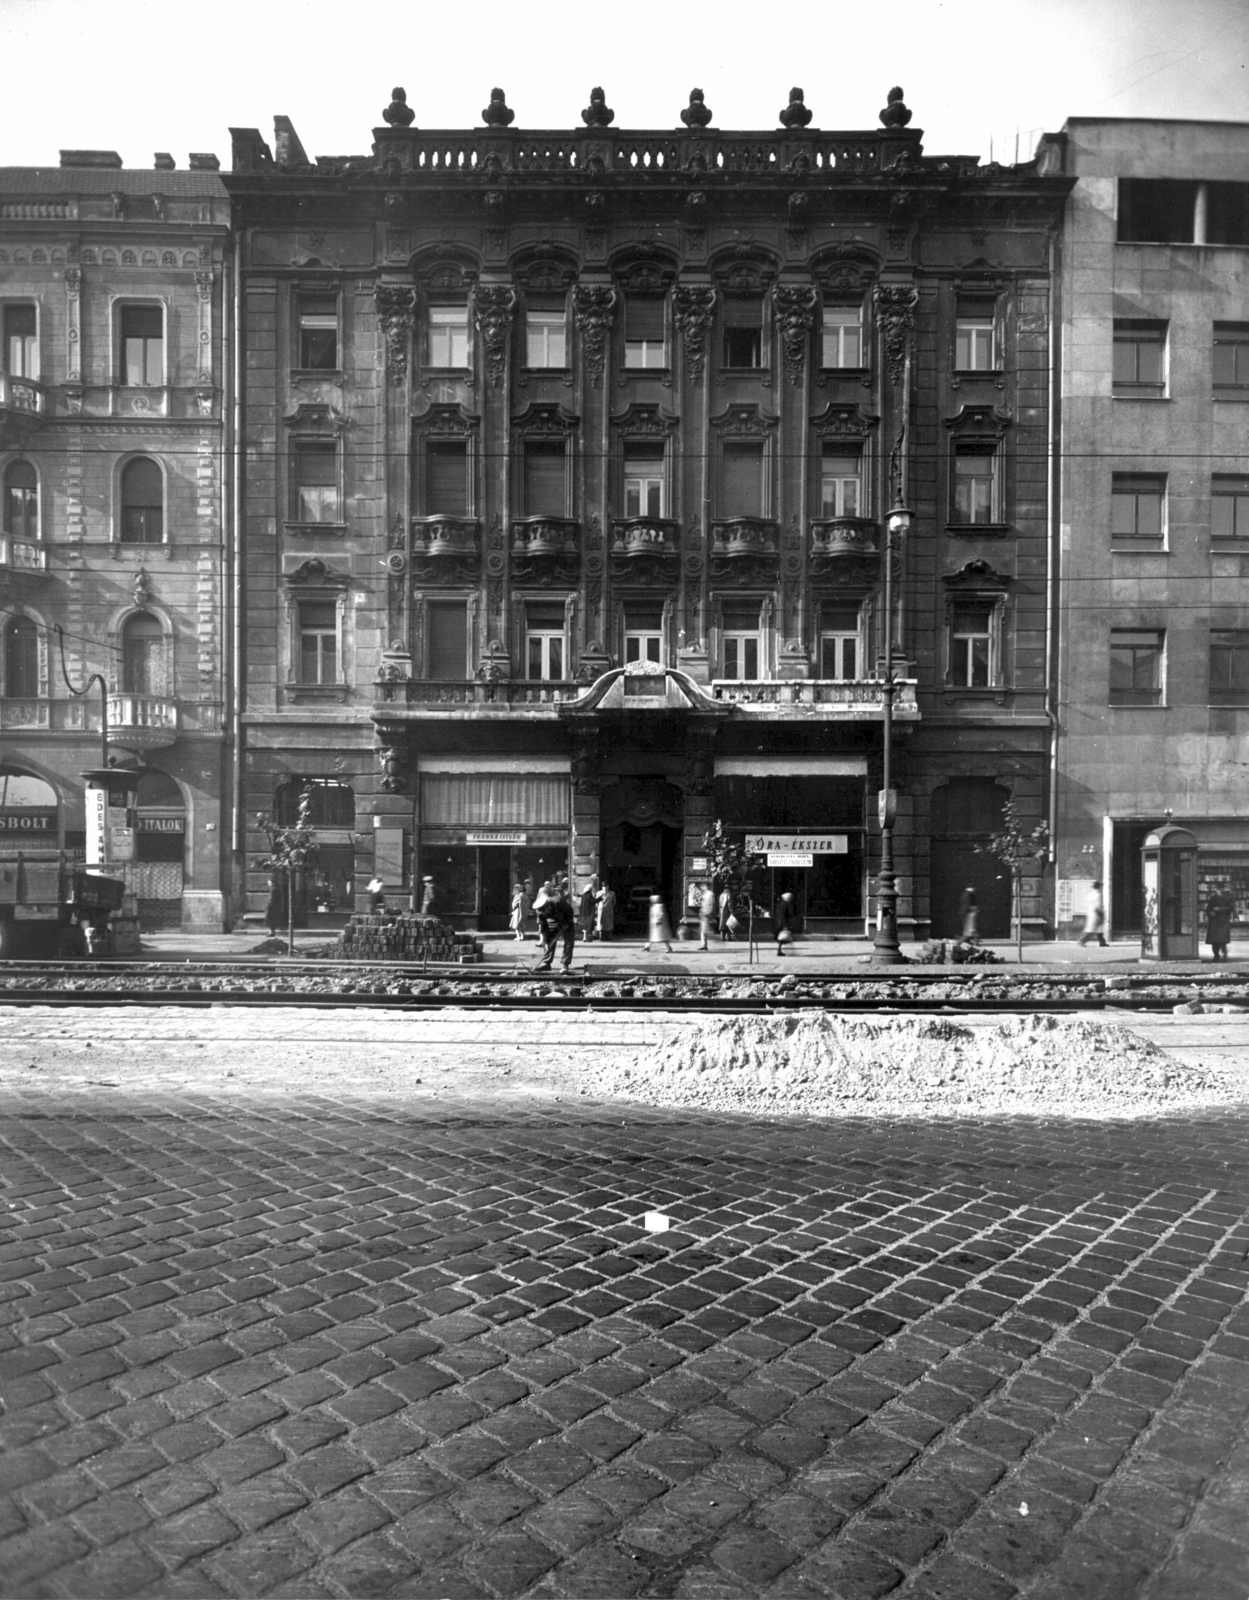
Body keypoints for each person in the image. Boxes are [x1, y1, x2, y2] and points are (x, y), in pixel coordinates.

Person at [535, 881, 576, 973]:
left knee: (569, 942)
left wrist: (567, 923)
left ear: (548, 907)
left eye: (545, 912)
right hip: (554, 921)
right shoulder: (539, 911)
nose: (544, 914)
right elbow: (544, 928)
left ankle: (565, 965)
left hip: (566, 919)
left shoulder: (557, 901)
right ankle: (546, 963)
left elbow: (570, 910)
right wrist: (546, 941)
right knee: (549, 942)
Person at [1206, 888, 1233, 962]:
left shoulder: (1229, 897)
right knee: (1214, 940)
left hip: (1223, 921)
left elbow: (1231, 908)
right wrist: (1210, 913)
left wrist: (1219, 909)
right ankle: (1216, 956)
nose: (1219, 891)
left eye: (1220, 889)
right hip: (1214, 921)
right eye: (1218, 889)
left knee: (1222, 940)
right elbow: (1208, 908)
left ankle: (1224, 954)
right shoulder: (1213, 898)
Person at [1077, 880, 1106, 947]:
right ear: (1098, 887)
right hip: (1096, 913)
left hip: (1091, 912)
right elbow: (1098, 905)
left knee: (1099, 928)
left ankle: (1102, 942)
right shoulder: (1097, 895)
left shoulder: (1089, 894)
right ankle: (1081, 941)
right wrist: (1101, 914)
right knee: (1091, 929)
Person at [773, 890, 796, 957]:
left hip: (778, 921)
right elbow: (790, 913)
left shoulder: (780, 903)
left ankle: (780, 950)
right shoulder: (787, 904)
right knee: (786, 936)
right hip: (784, 921)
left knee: (782, 937)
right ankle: (789, 951)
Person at [265, 873, 287, 938]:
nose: (268, 883)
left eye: (269, 882)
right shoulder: (276, 889)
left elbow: (271, 899)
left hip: (272, 907)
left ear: (272, 882)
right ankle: (272, 931)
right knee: (273, 919)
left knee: (270, 919)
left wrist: (269, 906)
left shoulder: (273, 889)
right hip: (276, 907)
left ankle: (272, 932)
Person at [579, 875, 600, 941]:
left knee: (585, 926)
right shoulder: (588, 894)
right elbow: (593, 901)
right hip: (588, 912)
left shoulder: (583, 895)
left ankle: (584, 937)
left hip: (583, 912)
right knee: (589, 925)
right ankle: (589, 937)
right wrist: (600, 898)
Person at [698, 882, 717, 951]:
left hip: (706, 914)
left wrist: (709, 912)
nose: (702, 887)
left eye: (704, 886)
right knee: (703, 930)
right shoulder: (706, 894)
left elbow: (711, 904)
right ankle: (704, 944)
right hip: (704, 913)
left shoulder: (710, 894)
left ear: (707, 886)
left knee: (704, 930)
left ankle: (705, 944)